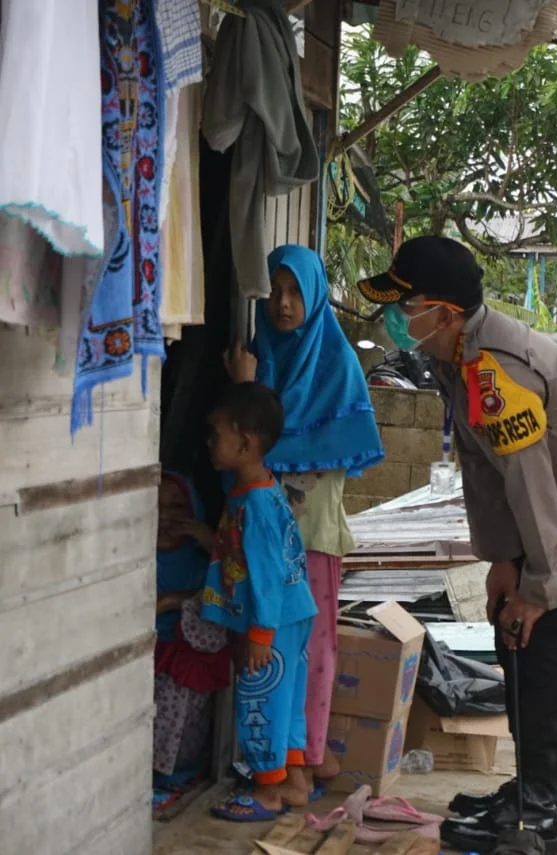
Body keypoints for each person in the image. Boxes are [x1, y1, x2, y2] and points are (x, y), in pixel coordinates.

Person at [356, 236, 557, 855]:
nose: (395, 318)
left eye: (407, 305)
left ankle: (546, 813)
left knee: (552, 637)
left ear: (446, 313)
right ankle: (538, 787)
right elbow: (484, 469)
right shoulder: (458, 355)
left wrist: (540, 586)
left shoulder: (496, 367)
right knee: (517, 633)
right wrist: (504, 561)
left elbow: (529, 480)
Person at [226, 244, 384, 797]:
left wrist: (250, 393)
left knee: (311, 648)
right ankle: (301, 756)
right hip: (266, 544)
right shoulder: (264, 355)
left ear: (315, 295)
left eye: (295, 292)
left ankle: (309, 757)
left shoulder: (333, 363)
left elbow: (263, 442)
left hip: (311, 538)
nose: (283, 303)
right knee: (277, 647)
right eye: (275, 290)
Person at [200, 382, 319, 822]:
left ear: (245, 443)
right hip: (292, 614)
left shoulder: (255, 503)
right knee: (287, 700)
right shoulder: (262, 491)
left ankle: (267, 792)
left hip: (269, 622)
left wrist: (259, 634)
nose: (209, 444)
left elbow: (265, 574)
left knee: (260, 701)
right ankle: (296, 781)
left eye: (216, 435)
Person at [153, 471, 230, 804]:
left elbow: (225, 598)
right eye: (155, 507)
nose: (167, 517)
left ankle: (176, 773)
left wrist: (172, 601)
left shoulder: (203, 565)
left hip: (184, 664)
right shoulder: (130, 560)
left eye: (178, 506)